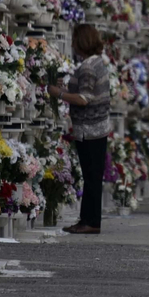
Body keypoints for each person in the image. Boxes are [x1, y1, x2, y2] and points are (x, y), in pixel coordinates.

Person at [49, 23, 112, 236]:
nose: (73, 44)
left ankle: (90, 221)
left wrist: (58, 93)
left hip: (89, 129)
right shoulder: (97, 63)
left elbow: (84, 99)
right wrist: (66, 89)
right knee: (93, 176)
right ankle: (88, 219)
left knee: (91, 176)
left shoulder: (87, 67)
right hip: (98, 128)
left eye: (75, 40)